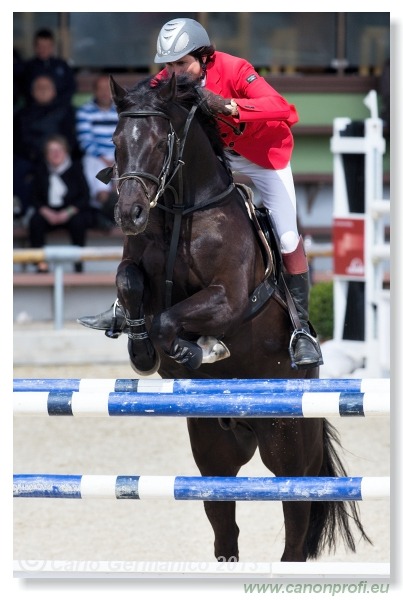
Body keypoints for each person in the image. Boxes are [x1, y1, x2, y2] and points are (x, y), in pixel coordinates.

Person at [79, 18, 322, 369]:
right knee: (149, 202)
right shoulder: (168, 80)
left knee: (286, 237)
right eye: (169, 65)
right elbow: (143, 105)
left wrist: (229, 106)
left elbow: (285, 109)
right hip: (218, 158)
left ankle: (302, 330)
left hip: (263, 157)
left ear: (204, 57)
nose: (174, 73)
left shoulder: (236, 69)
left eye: (182, 64)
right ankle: (124, 303)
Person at [14, 74, 80, 216]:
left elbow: (71, 139)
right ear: (32, 92)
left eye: (46, 87)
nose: (43, 90)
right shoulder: (23, 113)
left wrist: (57, 153)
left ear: (54, 91)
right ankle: (21, 210)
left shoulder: (65, 111)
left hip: (59, 155)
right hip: (30, 156)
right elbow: (18, 141)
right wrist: (36, 154)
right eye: (39, 87)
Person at [28, 134, 91, 273]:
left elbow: (85, 196)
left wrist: (67, 212)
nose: (56, 154)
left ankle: (78, 262)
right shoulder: (41, 170)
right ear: (46, 154)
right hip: (48, 212)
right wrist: (46, 211)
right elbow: (34, 197)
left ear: (65, 151)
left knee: (79, 222)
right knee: (35, 222)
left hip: (70, 212)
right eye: (51, 150)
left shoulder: (75, 169)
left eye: (59, 150)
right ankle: (41, 264)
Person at [76, 74, 119, 229]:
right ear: (94, 91)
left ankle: (116, 213)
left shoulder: (121, 111)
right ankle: (103, 209)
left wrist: (116, 159)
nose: (104, 93)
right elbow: (85, 141)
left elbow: (125, 139)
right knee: (92, 165)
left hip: (118, 156)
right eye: (100, 89)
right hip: (96, 156)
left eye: (108, 89)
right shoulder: (85, 111)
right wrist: (103, 158)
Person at [21, 28, 76, 110]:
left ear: (52, 47)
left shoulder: (63, 66)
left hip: (59, 109)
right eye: (40, 46)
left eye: (47, 46)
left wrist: (56, 103)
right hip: (33, 110)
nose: (43, 49)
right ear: (35, 47)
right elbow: (23, 90)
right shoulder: (27, 67)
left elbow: (70, 88)